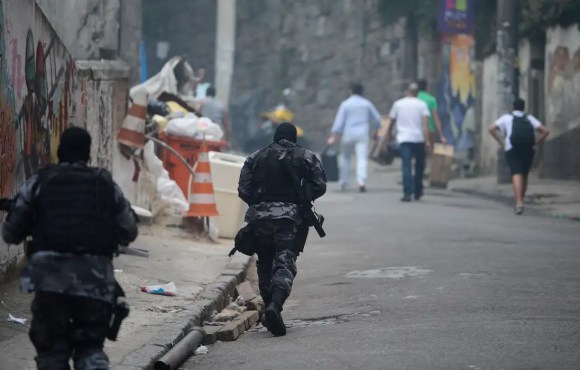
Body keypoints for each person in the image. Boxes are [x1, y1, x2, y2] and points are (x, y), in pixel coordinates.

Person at [2, 127, 138, 370]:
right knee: (91, 349)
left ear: (59, 151)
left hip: (50, 281)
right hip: (95, 281)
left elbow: (10, 233)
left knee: (52, 353)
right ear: (88, 154)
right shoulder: (104, 184)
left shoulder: (39, 183)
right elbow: (130, 229)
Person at [238, 122, 326, 336]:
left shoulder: (255, 157)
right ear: (294, 137)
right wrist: (302, 198)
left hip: (259, 220)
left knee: (265, 262)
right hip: (289, 219)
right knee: (285, 261)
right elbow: (320, 185)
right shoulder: (305, 156)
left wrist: (260, 205)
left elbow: (243, 190)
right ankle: (275, 307)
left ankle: (269, 306)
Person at [489, 98, 550, 214]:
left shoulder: (507, 117)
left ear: (513, 107)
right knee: (525, 174)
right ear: (523, 107)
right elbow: (546, 131)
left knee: (516, 173)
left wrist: (500, 142)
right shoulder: (530, 118)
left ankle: (518, 203)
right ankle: (521, 199)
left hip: (512, 149)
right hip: (528, 149)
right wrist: (537, 142)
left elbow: (491, 129)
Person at [327, 82, 381, 192]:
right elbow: (377, 119)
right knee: (361, 158)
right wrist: (375, 130)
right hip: (362, 134)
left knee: (346, 157)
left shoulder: (345, 104)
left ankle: (344, 181)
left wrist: (334, 135)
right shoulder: (366, 104)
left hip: (348, 134)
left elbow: (339, 121)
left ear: (350, 91)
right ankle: (361, 181)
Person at [387, 83, 431, 202]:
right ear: (417, 93)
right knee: (419, 166)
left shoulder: (398, 104)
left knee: (406, 165)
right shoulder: (422, 105)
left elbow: (391, 122)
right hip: (418, 139)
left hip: (404, 139)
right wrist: (427, 141)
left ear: (407, 91)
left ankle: (407, 193)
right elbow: (425, 125)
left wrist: (389, 135)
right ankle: (417, 191)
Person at [417, 79, 447, 147]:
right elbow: (435, 117)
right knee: (429, 152)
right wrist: (441, 135)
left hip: (416, 130)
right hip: (430, 129)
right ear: (426, 88)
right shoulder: (431, 99)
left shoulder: (415, 99)